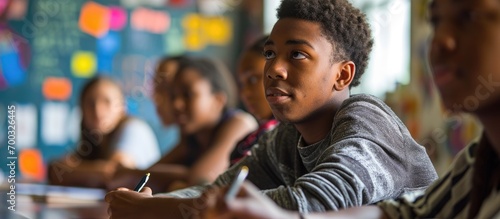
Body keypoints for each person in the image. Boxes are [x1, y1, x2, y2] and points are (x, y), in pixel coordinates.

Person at [104, 0, 438, 217]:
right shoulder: (284, 139)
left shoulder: (366, 117)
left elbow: (315, 203)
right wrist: (149, 205)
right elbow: (219, 191)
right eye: (269, 53)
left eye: (297, 54)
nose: (273, 69)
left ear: (342, 75)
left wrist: (155, 212)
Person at [203, 0, 500, 218]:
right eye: (435, 22)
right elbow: (408, 214)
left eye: (468, 16)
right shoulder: (480, 159)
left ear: (343, 75)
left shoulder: (365, 116)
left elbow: (324, 200)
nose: (439, 43)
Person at [109, 57, 258, 192]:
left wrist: (132, 173)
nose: (177, 104)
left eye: (188, 95)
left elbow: (198, 179)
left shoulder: (239, 124)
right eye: (174, 95)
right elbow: (148, 173)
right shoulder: (192, 137)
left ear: (218, 100)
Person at [48, 76, 160, 188]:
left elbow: (116, 174)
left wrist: (73, 170)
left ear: (122, 107)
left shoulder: (134, 129)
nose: (98, 110)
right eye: (90, 103)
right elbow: (56, 171)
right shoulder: (94, 142)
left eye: (107, 102)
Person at [230, 35, 279, 165]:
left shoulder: (291, 138)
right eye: (242, 84)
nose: (244, 93)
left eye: (253, 79)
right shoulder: (253, 138)